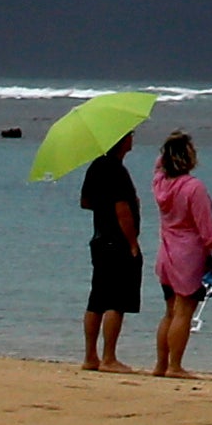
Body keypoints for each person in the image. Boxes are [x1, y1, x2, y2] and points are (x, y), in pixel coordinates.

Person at [150, 132, 212, 379]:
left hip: (167, 253)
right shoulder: (194, 188)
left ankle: (161, 364)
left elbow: (159, 165)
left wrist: (170, 143)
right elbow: (207, 230)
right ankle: (175, 366)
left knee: (170, 311)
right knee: (183, 312)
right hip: (188, 256)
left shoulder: (160, 183)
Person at [78, 126, 145, 372]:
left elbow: (85, 202)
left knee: (97, 299)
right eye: (129, 135)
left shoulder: (96, 166)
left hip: (99, 239)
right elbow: (122, 210)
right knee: (115, 300)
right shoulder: (116, 170)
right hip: (116, 241)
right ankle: (109, 358)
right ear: (121, 141)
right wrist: (132, 243)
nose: (132, 139)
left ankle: (90, 357)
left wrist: (103, 204)